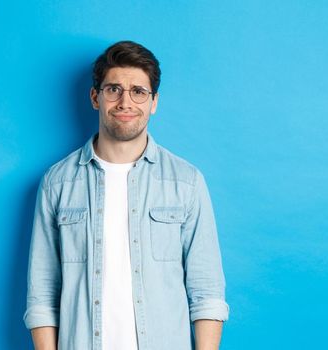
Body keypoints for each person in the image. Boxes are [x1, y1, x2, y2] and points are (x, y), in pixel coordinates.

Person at [24, 40, 229, 350]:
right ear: (95, 97)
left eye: (138, 91)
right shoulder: (57, 183)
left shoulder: (186, 182)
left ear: (154, 101)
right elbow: (42, 295)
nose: (125, 102)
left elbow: (207, 292)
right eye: (113, 89)